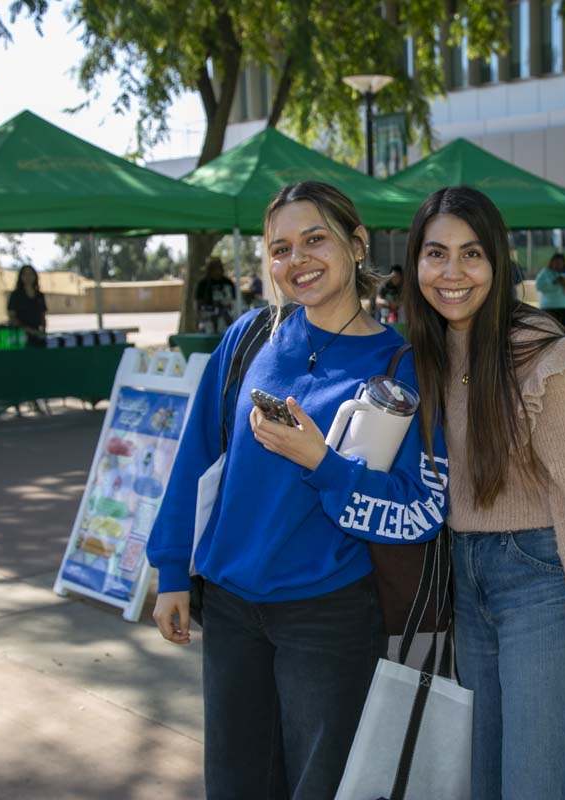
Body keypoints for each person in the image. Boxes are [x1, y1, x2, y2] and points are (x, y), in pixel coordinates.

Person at [146, 181, 447, 800]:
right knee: (236, 782)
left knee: (323, 784)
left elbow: (418, 507)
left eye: (315, 240)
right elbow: (195, 458)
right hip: (229, 606)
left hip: (329, 612)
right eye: (280, 248)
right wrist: (172, 569)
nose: (296, 261)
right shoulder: (248, 339)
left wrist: (324, 462)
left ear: (356, 243)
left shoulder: (405, 365)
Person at [402, 186, 565, 800]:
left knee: (543, 781)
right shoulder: (426, 353)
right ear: (415, 264)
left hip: (540, 582)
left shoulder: (539, 355)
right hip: (464, 582)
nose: (453, 273)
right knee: (488, 782)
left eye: (472, 254)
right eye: (436, 254)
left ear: (498, 263)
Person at [534, 251, 565, 332]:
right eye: (556, 262)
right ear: (551, 262)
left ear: (564, 263)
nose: (558, 264)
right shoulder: (545, 273)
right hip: (548, 308)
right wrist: (556, 283)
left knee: (564, 332)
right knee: (550, 333)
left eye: (560, 262)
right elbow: (539, 286)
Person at [6, 263, 47, 345]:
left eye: (31, 274)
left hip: (38, 336)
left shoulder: (40, 295)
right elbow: (12, 317)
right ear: (21, 277)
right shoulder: (15, 295)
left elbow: (43, 315)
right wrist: (29, 330)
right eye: (25, 274)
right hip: (19, 336)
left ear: (35, 276)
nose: (28, 277)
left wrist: (42, 330)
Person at [194, 256, 237, 333]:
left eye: (219, 267)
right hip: (208, 319)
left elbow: (235, 301)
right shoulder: (203, 284)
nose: (217, 271)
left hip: (226, 319)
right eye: (213, 268)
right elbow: (198, 303)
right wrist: (198, 319)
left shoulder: (228, 282)